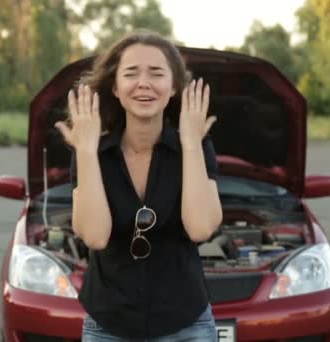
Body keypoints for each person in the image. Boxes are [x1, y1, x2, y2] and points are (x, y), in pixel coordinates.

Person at [55, 30, 223, 341]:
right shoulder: (93, 152)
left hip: (185, 324)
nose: (143, 83)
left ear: (173, 86)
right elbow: (95, 235)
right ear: (116, 88)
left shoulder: (197, 147)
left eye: (156, 73)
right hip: (108, 327)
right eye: (131, 73)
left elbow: (200, 229)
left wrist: (190, 144)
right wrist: (87, 150)